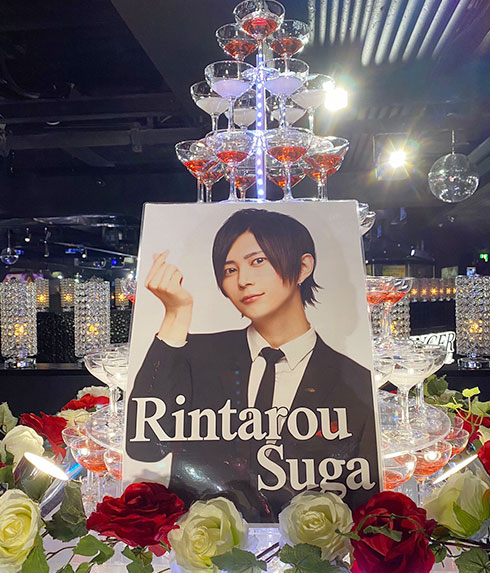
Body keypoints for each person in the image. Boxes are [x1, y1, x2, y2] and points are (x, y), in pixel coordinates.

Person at [127, 208, 379, 521]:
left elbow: (363, 497)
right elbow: (145, 447)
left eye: (258, 261)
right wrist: (176, 314)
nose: (243, 280)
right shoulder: (197, 354)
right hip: (206, 545)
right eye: (230, 270)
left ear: (303, 267)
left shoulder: (355, 380)